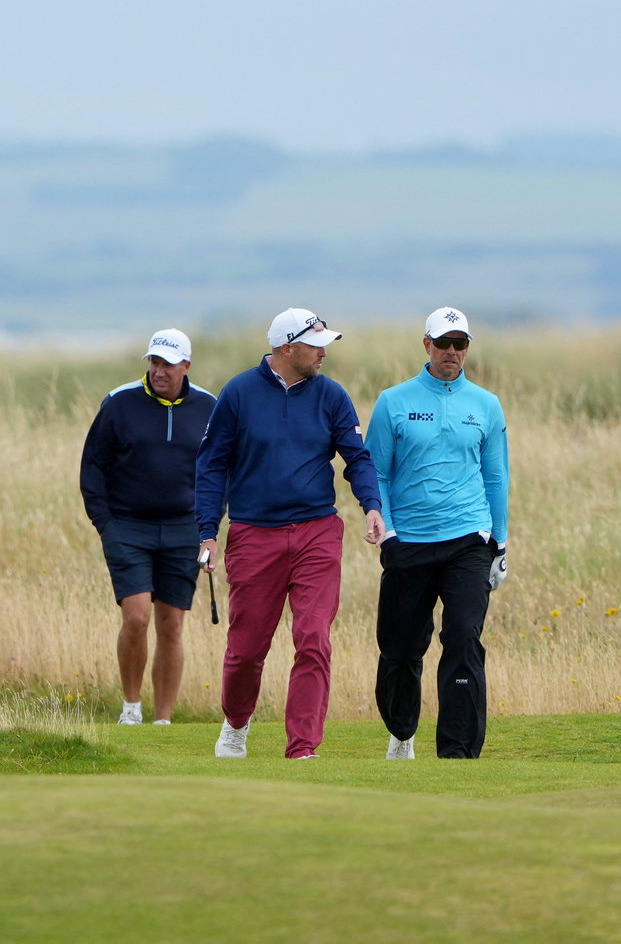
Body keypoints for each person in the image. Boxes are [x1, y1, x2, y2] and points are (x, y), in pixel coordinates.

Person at [196, 308, 385, 759]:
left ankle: (303, 747)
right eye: (315, 344)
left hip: (317, 531)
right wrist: (207, 532)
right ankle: (236, 723)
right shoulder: (239, 393)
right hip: (253, 534)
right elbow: (212, 465)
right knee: (246, 649)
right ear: (286, 347)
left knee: (314, 637)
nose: (323, 353)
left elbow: (356, 458)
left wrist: (372, 506)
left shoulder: (332, 396)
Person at [367, 307, 509, 760]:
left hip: (468, 539)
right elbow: (377, 475)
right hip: (408, 540)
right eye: (444, 343)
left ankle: (458, 753)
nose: (452, 352)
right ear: (425, 345)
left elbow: (496, 478)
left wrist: (499, 543)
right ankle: (402, 732)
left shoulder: (485, 405)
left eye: (460, 344)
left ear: (467, 348)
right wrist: (387, 532)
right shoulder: (394, 401)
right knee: (400, 647)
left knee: (464, 636)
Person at [80, 328, 217, 725]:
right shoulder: (120, 402)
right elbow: (93, 466)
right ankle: (131, 707)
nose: (159, 371)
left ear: (186, 366)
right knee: (137, 617)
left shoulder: (209, 407)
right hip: (127, 526)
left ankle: (163, 720)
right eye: (154, 362)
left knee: (172, 624)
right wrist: (104, 523)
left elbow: (220, 470)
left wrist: (209, 526)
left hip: (184, 529)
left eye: (167, 364)